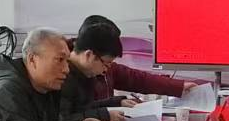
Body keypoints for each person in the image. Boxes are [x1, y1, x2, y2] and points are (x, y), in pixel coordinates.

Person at [0, 28, 106, 121]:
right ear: (32, 59)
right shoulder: (6, 90)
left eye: (67, 61)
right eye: (59, 60)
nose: (66, 69)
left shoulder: (45, 86)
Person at [75, 15, 212, 105]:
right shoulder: (66, 76)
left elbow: (138, 79)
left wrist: (178, 86)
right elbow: (77, 115)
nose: (107, 69)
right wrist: (114, 105)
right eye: (106, 63)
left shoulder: (101, 65)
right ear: (89, 55)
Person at [59, 17, 131, 121]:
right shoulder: (62, 76)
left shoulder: (83, 72)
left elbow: (85, 108)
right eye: (106, 64)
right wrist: (105, 116)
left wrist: (116, 102)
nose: (105, 70)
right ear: (89, 55)